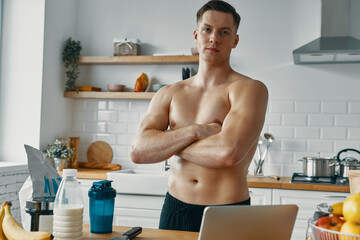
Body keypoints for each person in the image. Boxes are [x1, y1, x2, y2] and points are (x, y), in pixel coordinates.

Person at [130, 0, 268, 232]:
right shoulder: (169, 93)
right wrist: (196, 131)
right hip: (174, 208)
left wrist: (168, 142)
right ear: (196, 35)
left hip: (226, 211)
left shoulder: (249, 89)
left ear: (235, 41)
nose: (214, 38)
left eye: (224, 32)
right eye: (207, 29)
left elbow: (227, 154)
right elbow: (139, 151)